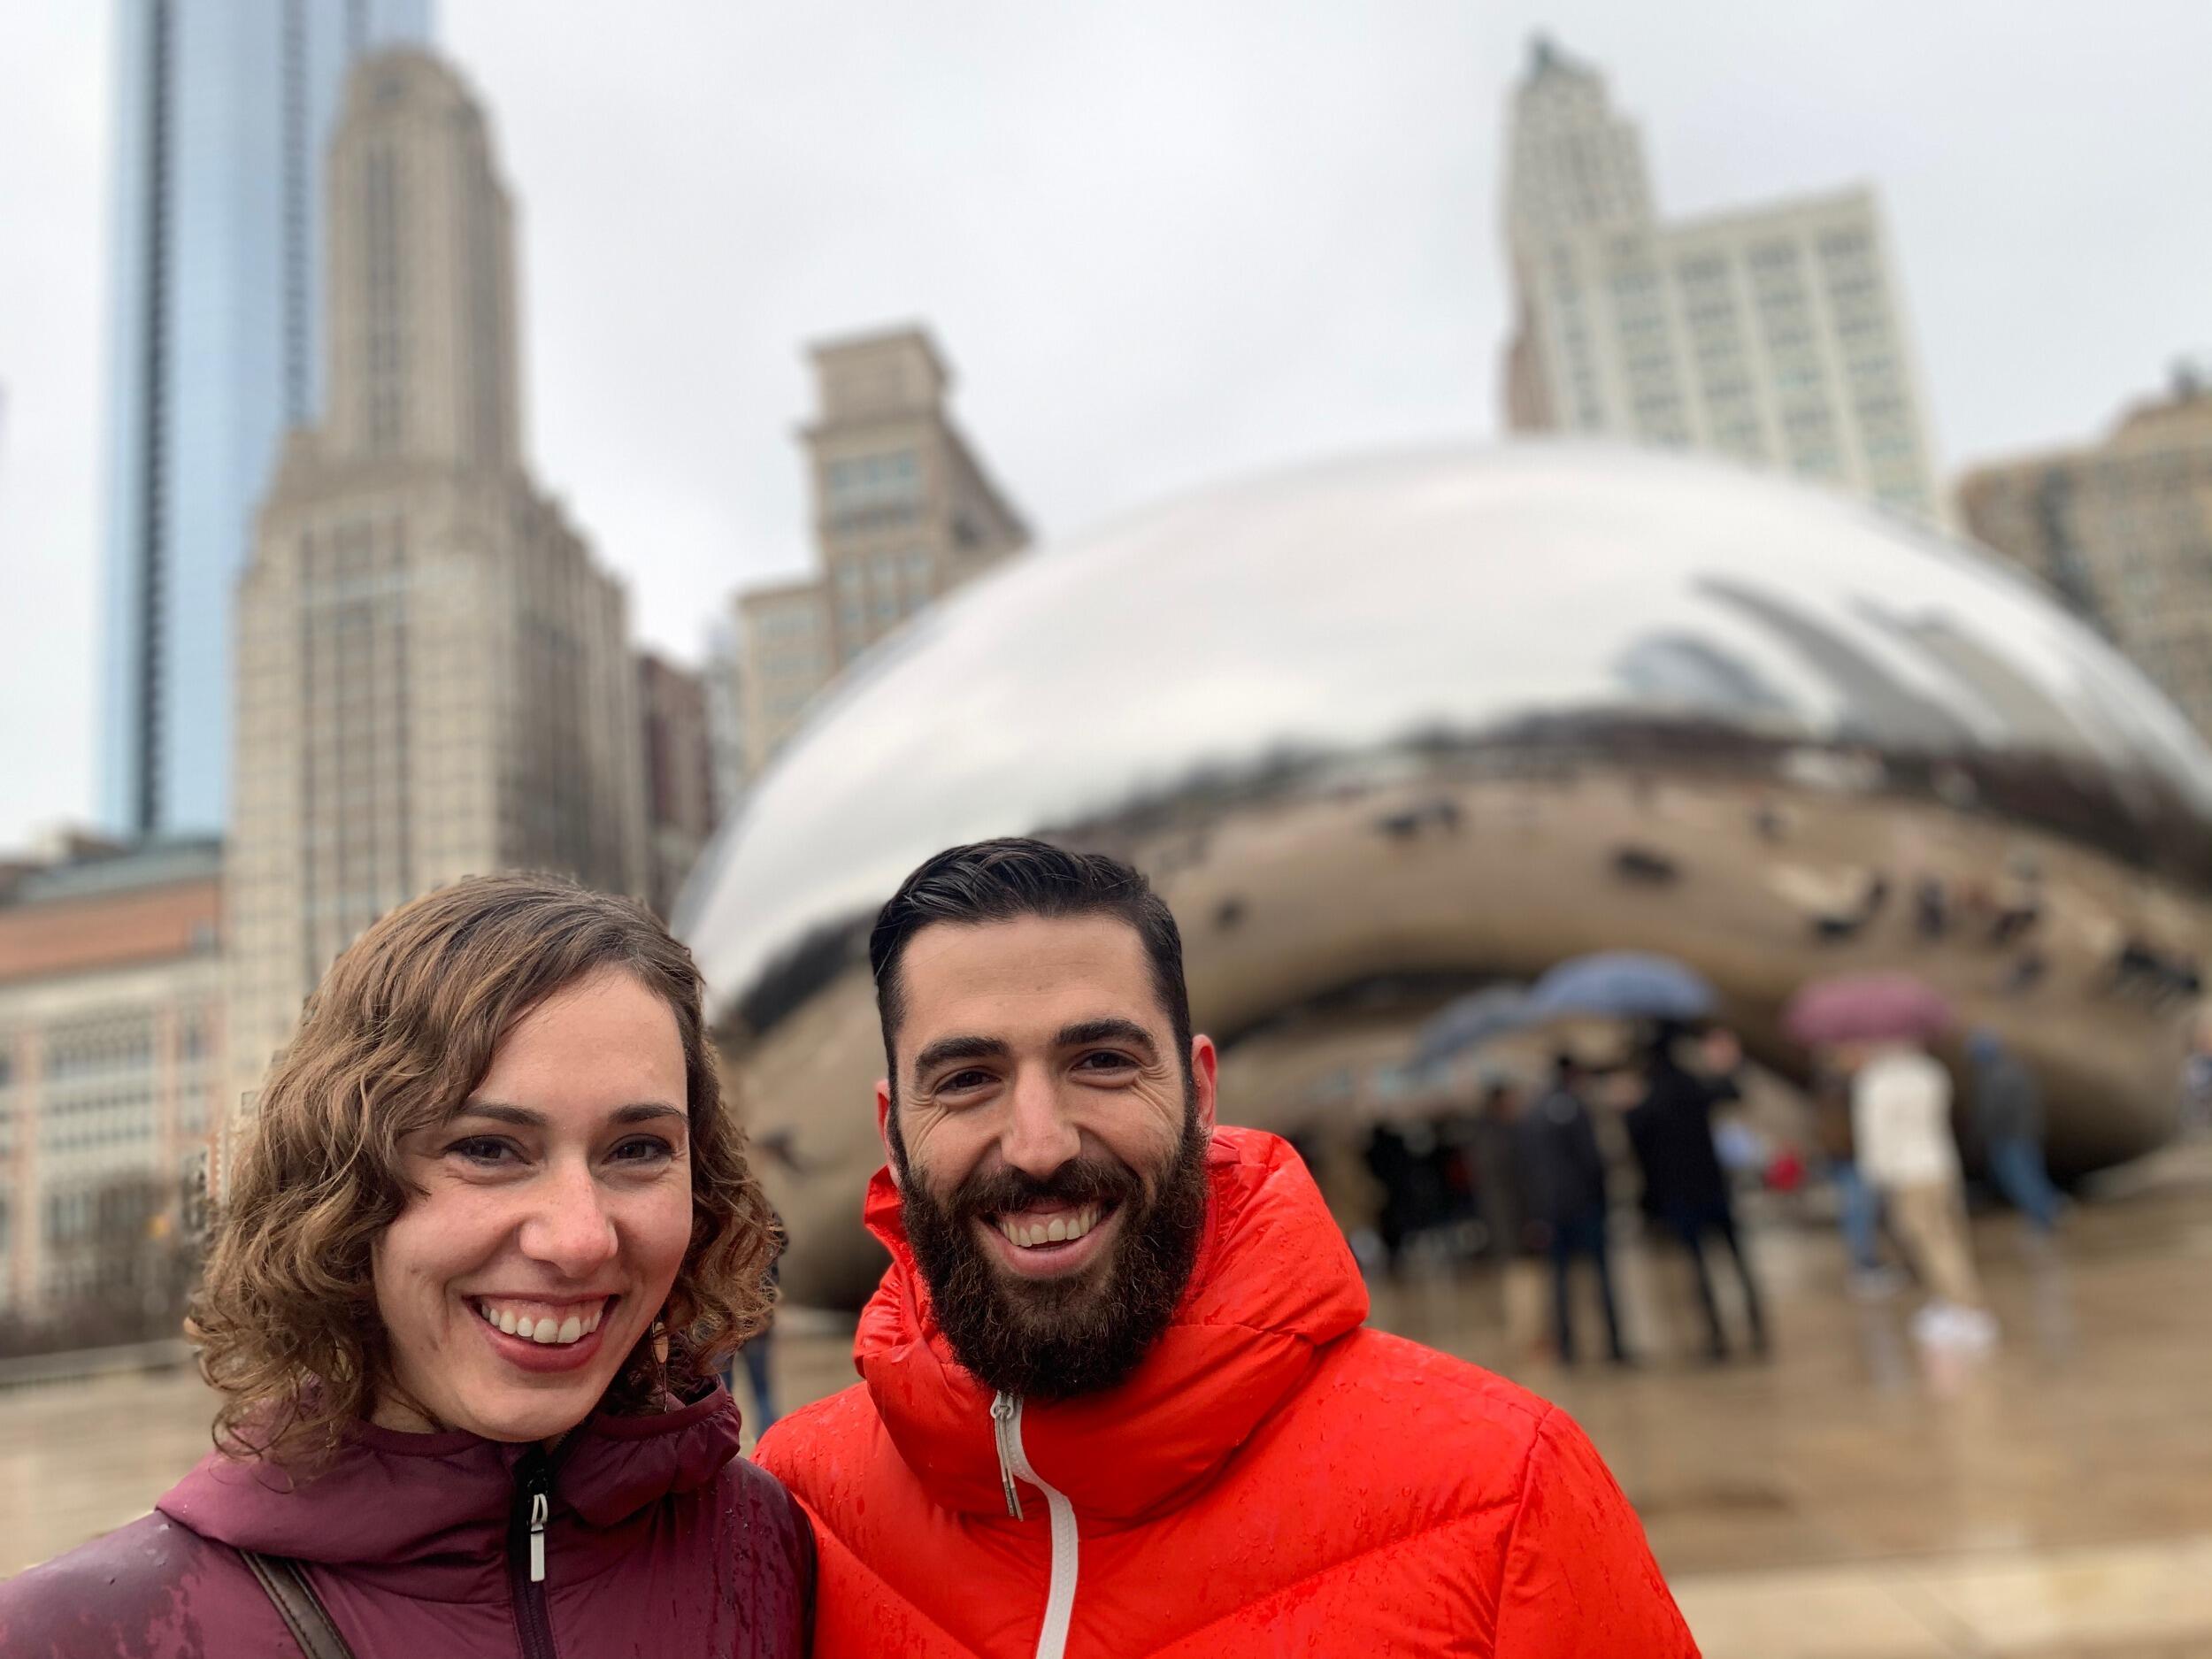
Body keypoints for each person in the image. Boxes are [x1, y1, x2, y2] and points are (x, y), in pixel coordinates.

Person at [757, 840, 1694, 1655]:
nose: (1038, 1142)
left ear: (1201, 1094)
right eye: (966, 1079)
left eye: (1101, 1062)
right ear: (891, 1133)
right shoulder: (796, 1505)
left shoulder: (1509, 1488)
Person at [0, 876, 814, 1657]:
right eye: (488, 1149)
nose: (580, 1239)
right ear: (340, 1184)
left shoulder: (774, 1549)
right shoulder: (74, 1634)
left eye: (637, 1149)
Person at [1624, 1026, 1769, 1360]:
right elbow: (1731, 1092)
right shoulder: (1695, 1085)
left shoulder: (1650, 1099)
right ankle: (1757, 1329)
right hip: (1714, 1189)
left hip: (1681, 1197)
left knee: (1700, 1269)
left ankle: (1715, 1335)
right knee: (1737, 1262)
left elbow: (1637, 1145)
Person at [1849, 1039, 1997, 1350]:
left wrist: (1875, 1175)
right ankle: (1951, 1303)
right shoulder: (1931, 1072)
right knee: (1949, 1235)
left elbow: (1875, 1133)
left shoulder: (1876, 1081)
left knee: (1927, 1240)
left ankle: (1964, 1309)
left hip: (1907, 1173)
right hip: (1941, 1165)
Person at [1518, 1052, 1632, 1367]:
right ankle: (1614, 1344)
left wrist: (1535, 1213)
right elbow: (1591, 1159)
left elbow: (1525, 1169)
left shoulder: (1533, 1113)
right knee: (1602, 1277)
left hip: (1550, 1211)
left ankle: (1568, 1349)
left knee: (1560, 1281)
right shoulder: (1576, 1108)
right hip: (1584, 1207)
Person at [1966, 1030, 2062, 1233]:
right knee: (2033, 1174)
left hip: (2008, 1137)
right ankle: (2052, 1209)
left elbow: (1991, 1111)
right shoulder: (2017, 1070)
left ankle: (2043, 1218)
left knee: (2019, 1179)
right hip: (2027, 1133)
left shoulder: (1993, 1078)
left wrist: (1979, 1138)